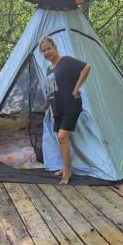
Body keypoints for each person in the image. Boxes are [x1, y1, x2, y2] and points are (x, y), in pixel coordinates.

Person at [39, 36, 91, 185]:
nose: (47, 52)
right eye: (43, 51)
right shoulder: (49, 68)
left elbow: (86, 67)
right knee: (60, 139)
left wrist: (76, 88)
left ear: (55, 48)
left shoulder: (66, 61)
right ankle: (64, 166)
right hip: (57, 106)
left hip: (70, 105)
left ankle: (67, 170)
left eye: (49, 48)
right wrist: (47, 102)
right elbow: (51, 88)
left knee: (62, 137)